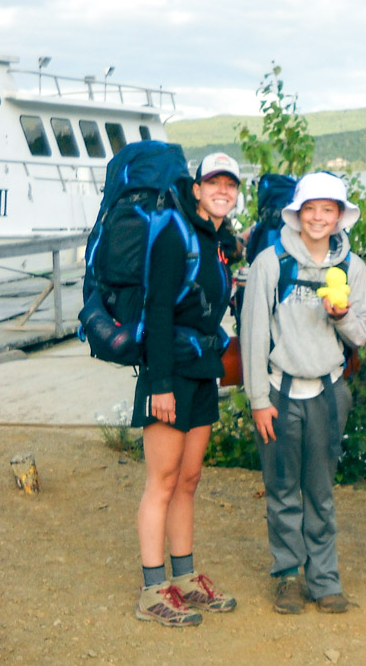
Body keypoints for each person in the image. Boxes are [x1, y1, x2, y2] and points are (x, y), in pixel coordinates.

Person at [240, 172, 366, 616]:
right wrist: (258, 399)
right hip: (279, 393)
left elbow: (361, 334)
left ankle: (325, 579)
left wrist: (341, 315)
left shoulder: (352, 266)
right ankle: (287, 577)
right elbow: (253, 336)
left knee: (321, 490)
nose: (318, 217)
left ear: (339, 216)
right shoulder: (270, 263)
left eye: (328, 209)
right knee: (281, 489)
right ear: (297, 214)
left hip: (330, 394)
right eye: (310, 209)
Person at [132, 153, 240, 626]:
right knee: (162, 481)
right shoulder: (175, 233)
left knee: (189, 480)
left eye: (229, 184)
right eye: (212, 182)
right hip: (169, 372)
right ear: (195, 189)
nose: (222, 190)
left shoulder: (217, 241)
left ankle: (185, 577)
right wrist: (158, 384)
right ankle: (154, 589)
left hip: (201, 370)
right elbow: (156, 309)